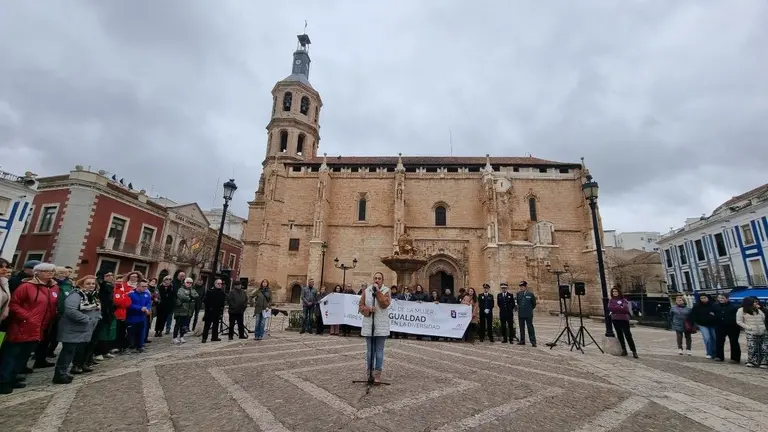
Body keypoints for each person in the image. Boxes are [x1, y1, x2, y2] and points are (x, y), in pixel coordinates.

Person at [0, 263, 59, 394]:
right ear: (37, 273)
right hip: (22, 325)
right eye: (47, 271)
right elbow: (14, 304)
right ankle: (3, 381)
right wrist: (27, 317)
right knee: (11, 355)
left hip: (39, 327)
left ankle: (13, 378)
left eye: (52, 271)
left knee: (24, 355)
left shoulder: (53, 288)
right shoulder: (26, 286)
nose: (51, 273)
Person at [53, 275, 101, 383]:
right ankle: (59, 374)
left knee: (73, 352)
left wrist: (97, 317)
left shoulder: (91, 295)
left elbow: (96, 308)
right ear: (81, 284)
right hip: (72, 328)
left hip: (82, 329)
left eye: (93, 283)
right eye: (88, 283)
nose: (91, 286)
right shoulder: (76, 295)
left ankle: (64, 372)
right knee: (67, 352)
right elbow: (71, 311)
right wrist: (87, 319)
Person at [359, 272, 391, 384]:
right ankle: (369, 374)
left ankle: (378, 374)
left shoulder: (386, 291)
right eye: (375, 278)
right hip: (369, 324)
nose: (377, 280)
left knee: (379, 351)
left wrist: (377, 292)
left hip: (381, 325)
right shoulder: (366, 291)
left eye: (379, 278)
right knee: (369, 351)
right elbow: (360, 306)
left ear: (382, 280)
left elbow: (384, 304)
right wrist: (368, 309)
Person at [736, 296, 767, 368]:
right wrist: (749, 327)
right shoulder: (741, 310)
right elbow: (739, 321)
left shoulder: (757, 309)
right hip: (751, 332)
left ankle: (764, 361)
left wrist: (762, 327)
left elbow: (763, 317)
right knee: (752, 347)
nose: (755, 303)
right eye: (754, 302)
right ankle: (752, 361)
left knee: (764, 347)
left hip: (762, 330)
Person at [608, 286, 638, 358]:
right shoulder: (611, 300)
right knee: (619, 335)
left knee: (628, 335)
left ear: (619, 292)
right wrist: (619, 307)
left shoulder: (623, 300)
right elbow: (610, 308)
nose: (615, 293)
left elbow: (625, 308)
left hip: (624, 319)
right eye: (613, 292)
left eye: (616, 291)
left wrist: (616, 308)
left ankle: (634, 351)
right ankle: (624, 350)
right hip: (615, 319)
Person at [687, 294, 717, 359]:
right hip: (702, 324)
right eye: (701, 298)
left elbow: (718, 313)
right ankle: (709, 352)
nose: (703, 299)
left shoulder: (713, 305)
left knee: (714, 338)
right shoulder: (697, 306)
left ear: (708, 298)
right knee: (707, 338)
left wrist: (714, 316)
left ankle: (715, 352)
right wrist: (691, 324)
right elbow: (692, 315)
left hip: (713, 324)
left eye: (704, 297)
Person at [126, 279, 152, 353]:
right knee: (132, 332)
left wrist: (147, 308)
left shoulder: (147, 294)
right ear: (138, 286)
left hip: (142, 317)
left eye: (146, 286)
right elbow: (129, 305)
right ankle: (131, 346)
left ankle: (140, 345)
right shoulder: (131, 294)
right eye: (143, 286)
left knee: (142, 331)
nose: (145, 288)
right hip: (133, 316)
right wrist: (140, 308)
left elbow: (149, 303)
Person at [713, 293, 741, 363]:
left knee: (734, 342)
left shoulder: (734, 306)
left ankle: (735, 358)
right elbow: (712, 314)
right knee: (719, 341)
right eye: (719, 298)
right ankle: (719, 356)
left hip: (732, 327)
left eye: (722, 298)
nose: (720, 299)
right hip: (720, 326)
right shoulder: (715, 306)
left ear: (727, 298)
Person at [172, 278, 198, 344]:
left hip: (188, 310)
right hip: (181, 309)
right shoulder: (181, 289)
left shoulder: (192, 290)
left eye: (190, 283)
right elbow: (181, 296)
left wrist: (190, 297)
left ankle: (181, 336)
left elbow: (196, 295)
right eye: (188, 282)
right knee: (178, 324)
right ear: (185, 282)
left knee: (184, 325)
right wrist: (189, 298)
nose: (189, 284)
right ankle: (174, 337)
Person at [201, 278, 226, 343]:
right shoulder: (210, 291)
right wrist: (209, 308)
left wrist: (221, 310)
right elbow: (206, 301)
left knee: (216, 325)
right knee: (207, 325)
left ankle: (214, 337)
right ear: (215, 284)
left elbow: (222, 303)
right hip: (209, 311)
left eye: (221, 284)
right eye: (218, 283)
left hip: (217, 311)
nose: (220, 285)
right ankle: (204, 338)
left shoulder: (222, 293)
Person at [515, 281, 537, 347]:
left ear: (525, 287)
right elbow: (518, 303)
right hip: (521, 313)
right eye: (520, 287)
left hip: (528, 314)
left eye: (522, 287)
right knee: (521, 328)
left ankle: (533, 341)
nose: (521, 288)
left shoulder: (530, 294)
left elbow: (534, 304)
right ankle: (522, 341)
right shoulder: (518, 294)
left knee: (530, 327)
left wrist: (529, 309)